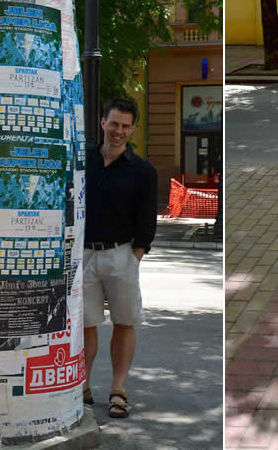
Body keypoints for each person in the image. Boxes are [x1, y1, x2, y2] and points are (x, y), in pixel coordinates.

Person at [83, 97, 158, 418]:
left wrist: (134, 257)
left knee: (124, 323)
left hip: (122, 255)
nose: (119, 131)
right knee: (85, 324)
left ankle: (117, 389)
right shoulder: (82, 160)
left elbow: (147, 222)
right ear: (103, 123)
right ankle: (80, 386)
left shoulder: (143, 171)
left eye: (126, 126)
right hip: (84, 255)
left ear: (132, 129)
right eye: (114, 123)